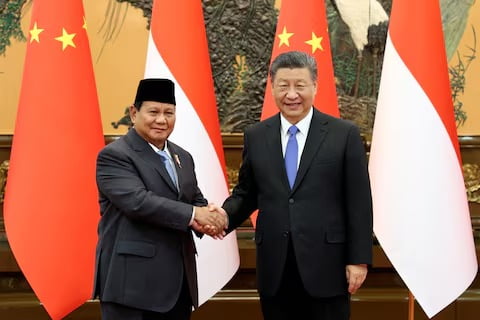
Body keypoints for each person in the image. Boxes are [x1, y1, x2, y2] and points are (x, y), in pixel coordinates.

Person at [218, 51, 373, 320]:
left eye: (300, 85)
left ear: (314, 86)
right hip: (275, 269)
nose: (292, 94)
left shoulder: (343, 134)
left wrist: (358, 259)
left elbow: (358, 201)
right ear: (273, 88)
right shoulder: (256, 136)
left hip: (328, 266)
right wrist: (221, 217)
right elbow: (247, 193)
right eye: (283, 86)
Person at [93, 78, 226, 320]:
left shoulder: (182, 157)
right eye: (153, 112)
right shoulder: (114, 155)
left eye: (169, 113)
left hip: (177, 287)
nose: (162, 120)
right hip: (132, 288)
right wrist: (195, 215)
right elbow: (138, 202)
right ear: (134, 113)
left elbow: (193, 198)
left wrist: (210, 216)